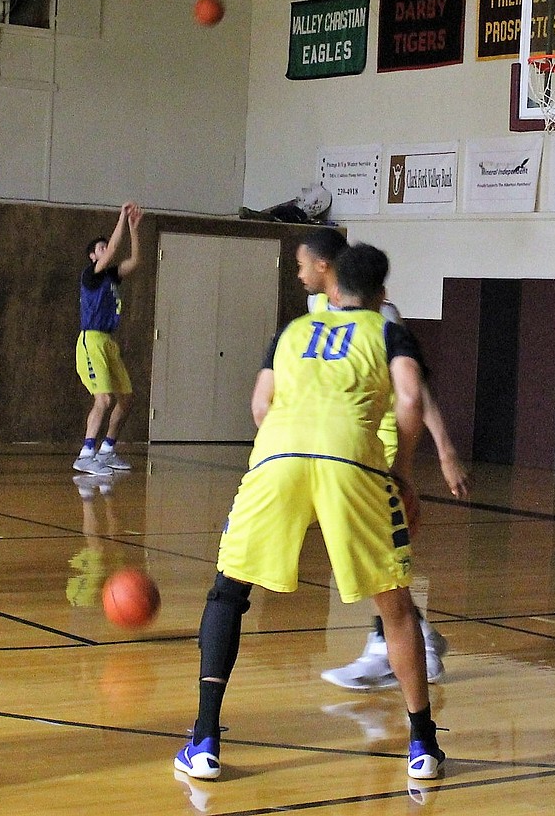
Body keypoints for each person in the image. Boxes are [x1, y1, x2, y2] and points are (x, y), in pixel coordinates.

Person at [173, 242, 445, 783]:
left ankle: (204, 740)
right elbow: (411, 401)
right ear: (382, 294)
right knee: (393, 604)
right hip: (353, 462)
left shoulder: (292, 331)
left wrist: (288, 447)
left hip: (279, 455)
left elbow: (260, 405)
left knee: (229, 590)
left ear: (334, 286)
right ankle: (422, 745)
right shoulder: (388, 330)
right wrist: (404, 474)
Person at [293, 230, 467, 691]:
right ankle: (416, 635)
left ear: (327, 269)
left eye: (303, 265)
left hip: (380, 440)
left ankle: (388, 645)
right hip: (339, 443)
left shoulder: (381, 317)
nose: (299, 274)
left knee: (378, 553)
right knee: (366, 551)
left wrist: (444, 450)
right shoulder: (316, 315)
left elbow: (415, 392)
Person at [74, 202, 143, 476]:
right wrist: (122, 217)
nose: (107, 249)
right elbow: (114, 250)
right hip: (91, 341)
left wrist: (133, 229)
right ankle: (86, 453)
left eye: (106, 245)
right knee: (103, 400)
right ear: (93, 257)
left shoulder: (111, 277)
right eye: (100, 248)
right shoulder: (90, 275)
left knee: (126, 399)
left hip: (108, 342)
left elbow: (135, 261)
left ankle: (106, 450)